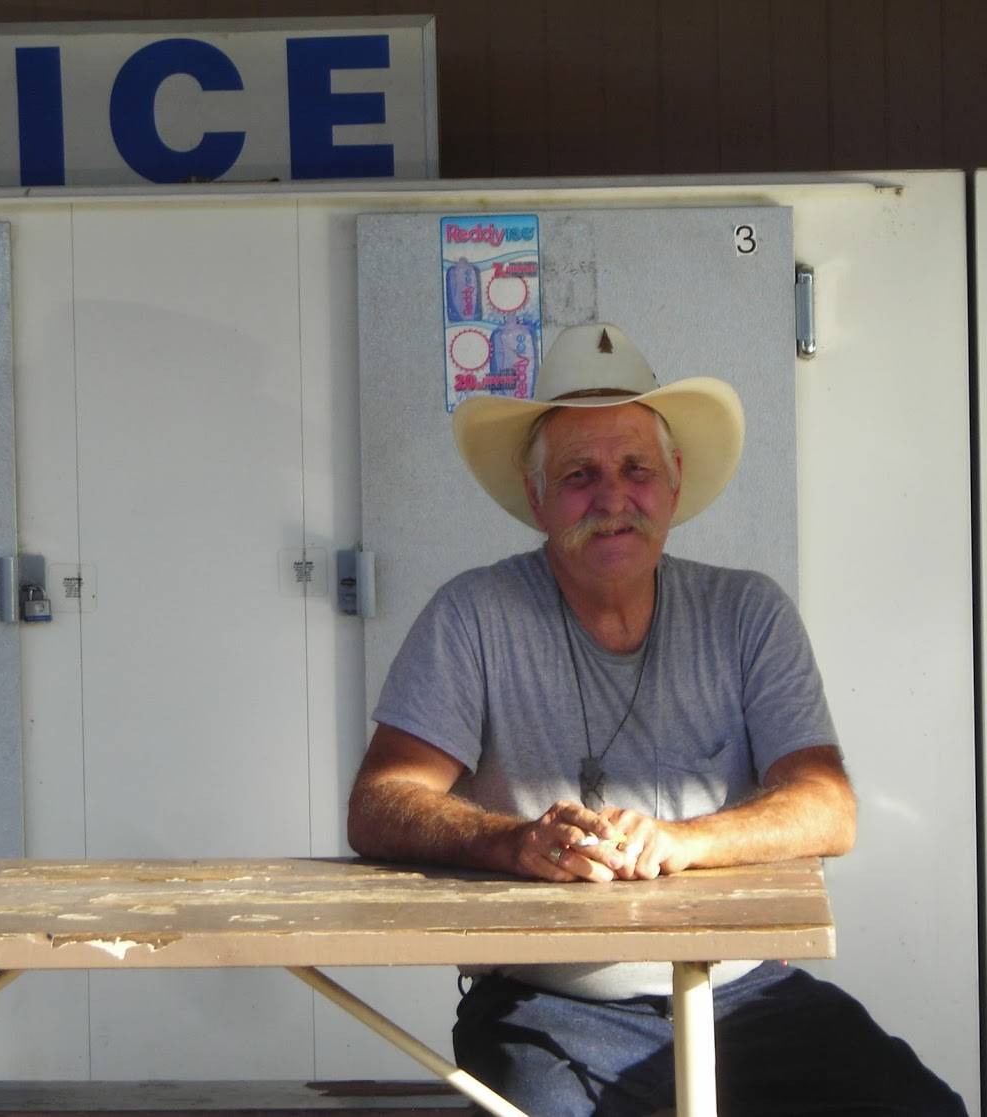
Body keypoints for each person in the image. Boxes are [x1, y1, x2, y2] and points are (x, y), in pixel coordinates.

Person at [348, 324, 966, 1116]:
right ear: (537, 498)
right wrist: (512, 840)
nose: (612, 497)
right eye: (580, 474)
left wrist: (684, 840)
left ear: (673, 484)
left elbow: (828, 807)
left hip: (742, 990)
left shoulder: (747, 612)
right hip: (548, 1004)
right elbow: (379, 802)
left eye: (636, 468)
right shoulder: (473, 614)